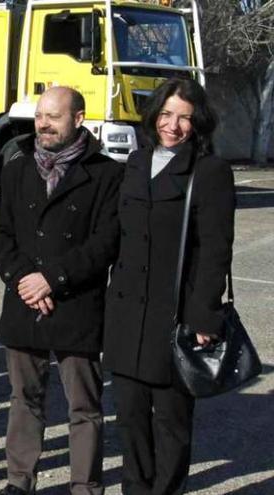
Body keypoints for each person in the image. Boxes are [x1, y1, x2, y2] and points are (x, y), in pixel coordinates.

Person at [104, 77, 234, 495]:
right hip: (127, 315)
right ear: (153, 114)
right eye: (166, 114)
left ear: (199, 124)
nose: (172, 126)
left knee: (171, 421)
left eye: (184, 118)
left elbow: (215, 250)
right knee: (130, 418)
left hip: (173, 315)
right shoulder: (137, 162)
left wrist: (204, 317)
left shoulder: (209, 171)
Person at [0, 86, 122, 495]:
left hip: (77, 301)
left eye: (54, 117)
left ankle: (84, 485)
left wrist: (53, 279)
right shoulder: (16, 167)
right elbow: (2, 233)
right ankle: (19, 480)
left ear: (79, 119)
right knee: (24, 397)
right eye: (40, 116)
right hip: (25, 299)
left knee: (83, 405)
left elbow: (106, 242)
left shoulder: (107, 174)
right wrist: (24, 280)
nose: (43, 124)